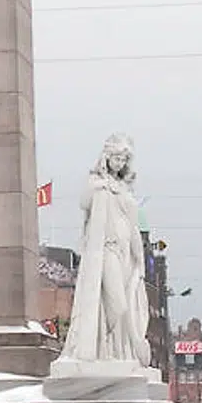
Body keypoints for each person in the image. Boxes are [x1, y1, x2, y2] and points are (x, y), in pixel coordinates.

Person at [58, 133, 151, 366]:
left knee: (127, 306)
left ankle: (116, 352)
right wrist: (101, 185)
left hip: (124, 254)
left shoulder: (124, 190)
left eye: (123, 160)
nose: (119, 164)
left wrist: (139, 260)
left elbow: (133, 229)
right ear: (106, 158)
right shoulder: (96, 184)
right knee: (117, 304)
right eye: (116, 158)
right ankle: (100, 346)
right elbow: (84, 201)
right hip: (106, 250)